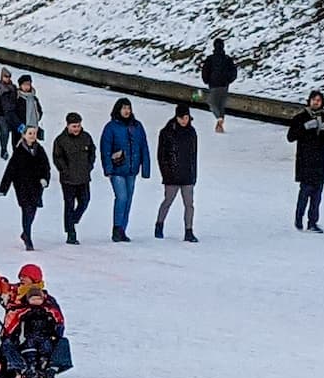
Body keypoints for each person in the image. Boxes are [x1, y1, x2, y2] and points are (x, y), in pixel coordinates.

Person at [0, 262, 72, 378]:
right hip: (22, 340)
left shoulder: (47, 300)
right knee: (9, 345)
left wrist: (55, 332)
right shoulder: (15, 294)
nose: (21, 279)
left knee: (61, 343)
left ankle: (49, 373)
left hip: (44, 341)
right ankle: (26, 372)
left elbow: (58, 319)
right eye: (21, 276)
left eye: (25, 276)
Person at [100, 97, 151, 242]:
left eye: (128, 108)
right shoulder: (111, 127)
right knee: (121, 197)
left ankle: (123, 228)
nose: (127, 111)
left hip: (132, 169)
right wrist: (108, 168)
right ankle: (117, 227)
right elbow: (106, 148)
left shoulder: (137, 126)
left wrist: (145, 168)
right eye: (124, 108)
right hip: (117, 169)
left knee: (128, 199)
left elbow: (143, 147)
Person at [287, 90, 324, 232]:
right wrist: (305, 127)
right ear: (309, 101)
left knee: (317, 195)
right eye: (314, 100)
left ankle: (313, 222)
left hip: (320, 161)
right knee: (305, 192)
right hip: (305, 160)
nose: (316, 102)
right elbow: (290, 137)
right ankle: (299, 219)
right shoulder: (300, 118)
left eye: (319, 100)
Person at [0, 124, 52, 251]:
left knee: (32, 211)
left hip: (36, 186)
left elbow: (46, 166)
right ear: (24, 135)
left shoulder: (40, 150)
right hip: (22, 186)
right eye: (30, 133)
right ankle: (27, 236)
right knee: (26, 210)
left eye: (34, 133)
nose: (32, 136)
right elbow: (10, 170)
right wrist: (3, 188)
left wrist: (45, 178)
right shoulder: (19, 152)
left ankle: (25, 232)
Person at [154, 104, 199, 242]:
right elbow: (161, 155)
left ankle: (189, 230)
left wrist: (193, 174)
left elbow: (193, 155)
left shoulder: (192, 132)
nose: (184, 121)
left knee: (189, 204)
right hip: (171, 175)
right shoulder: (167, 132)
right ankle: (159, 224)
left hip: (187, 175)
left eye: (186, 118)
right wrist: (166, 173)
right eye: (182, 118)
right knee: (168, 201)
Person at [52, 112, 96, 244]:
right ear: (68, 126)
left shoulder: (86, 137)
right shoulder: (61, 140)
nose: (77, 129)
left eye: (78, 126)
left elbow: (92, 153)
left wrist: (89, 166)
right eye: (74, 126)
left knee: (85, 201)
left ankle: (73, 220)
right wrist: (65, 170)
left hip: (83, 177)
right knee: (69, 204)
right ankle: (71, 232)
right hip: (68, 179)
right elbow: (57, 157)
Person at [200, 37, 237, 134]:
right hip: (224, 85)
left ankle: (219, 120)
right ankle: (220, 123)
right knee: (220, 104)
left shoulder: (210, 59)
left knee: (212, 103)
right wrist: (228, 80)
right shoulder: (227, 59)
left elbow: (205, 71)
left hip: (214, 84)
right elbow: (234, 72)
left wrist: (206, 80)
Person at [0, 68, 18, 159]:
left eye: (9, 77)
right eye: (5, 76)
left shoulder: (13, 88)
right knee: (4, 132)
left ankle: (14, 150)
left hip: (12, 113)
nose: (7, 78)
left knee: (15, 132)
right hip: (1, 114)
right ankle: (3, 149)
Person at [14, 74, 43, 140]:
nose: (26, 87)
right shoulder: (17, 97)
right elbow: (13, 113)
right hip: (19, 128)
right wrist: (18, 124)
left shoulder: (34, 98)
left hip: (32, 129)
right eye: (24, 84)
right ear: (20, 85)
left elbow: (39, 110)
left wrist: (38, 116)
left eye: (28, 84)